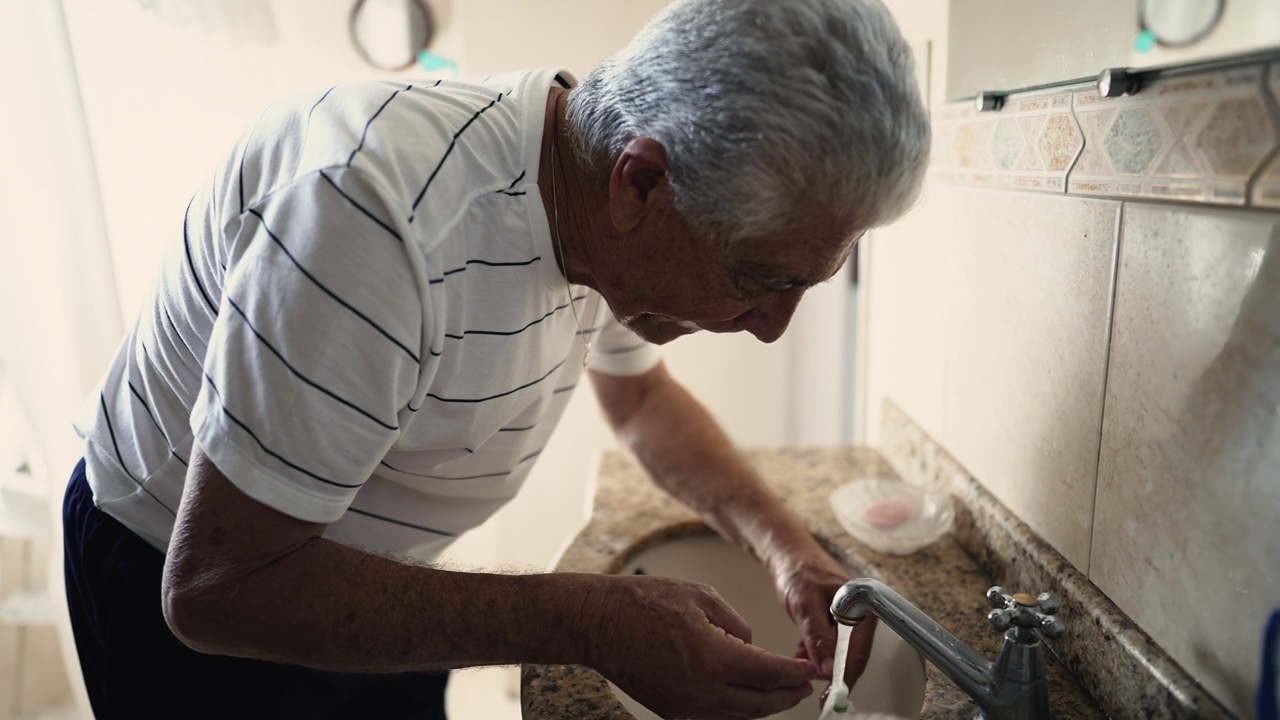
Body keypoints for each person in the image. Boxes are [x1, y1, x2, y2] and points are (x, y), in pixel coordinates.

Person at [61, 0, 930, 717]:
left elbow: (640, 402)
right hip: (200, 589)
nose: (773, 327)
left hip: (374, 573)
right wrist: (589, 622)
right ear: (640, 185)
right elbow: (218, 586)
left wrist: (787, 548)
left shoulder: (593, 198)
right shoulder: (371, 219)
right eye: (762, 278)